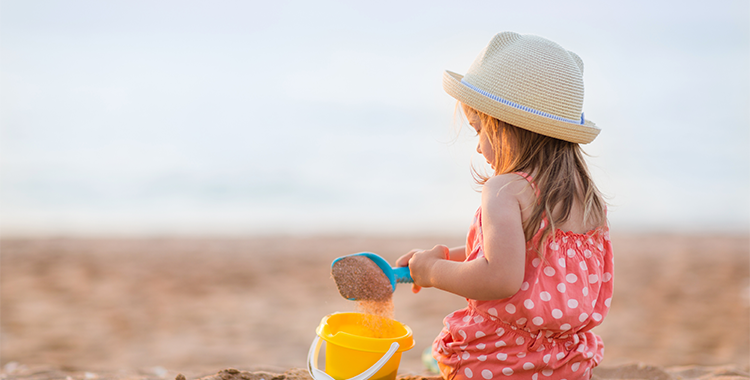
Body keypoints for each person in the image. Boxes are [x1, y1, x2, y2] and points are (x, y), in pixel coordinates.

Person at [396, 32, 614, 379]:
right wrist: (446, 256)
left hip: (500, 360)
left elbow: (500, 277)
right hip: (568, 363)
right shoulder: (585, 196)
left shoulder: (504, 190)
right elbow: (535, 256)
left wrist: (432, 273)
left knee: (445, 352)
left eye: (478, 129)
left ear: (506, 128)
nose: (479, 147)